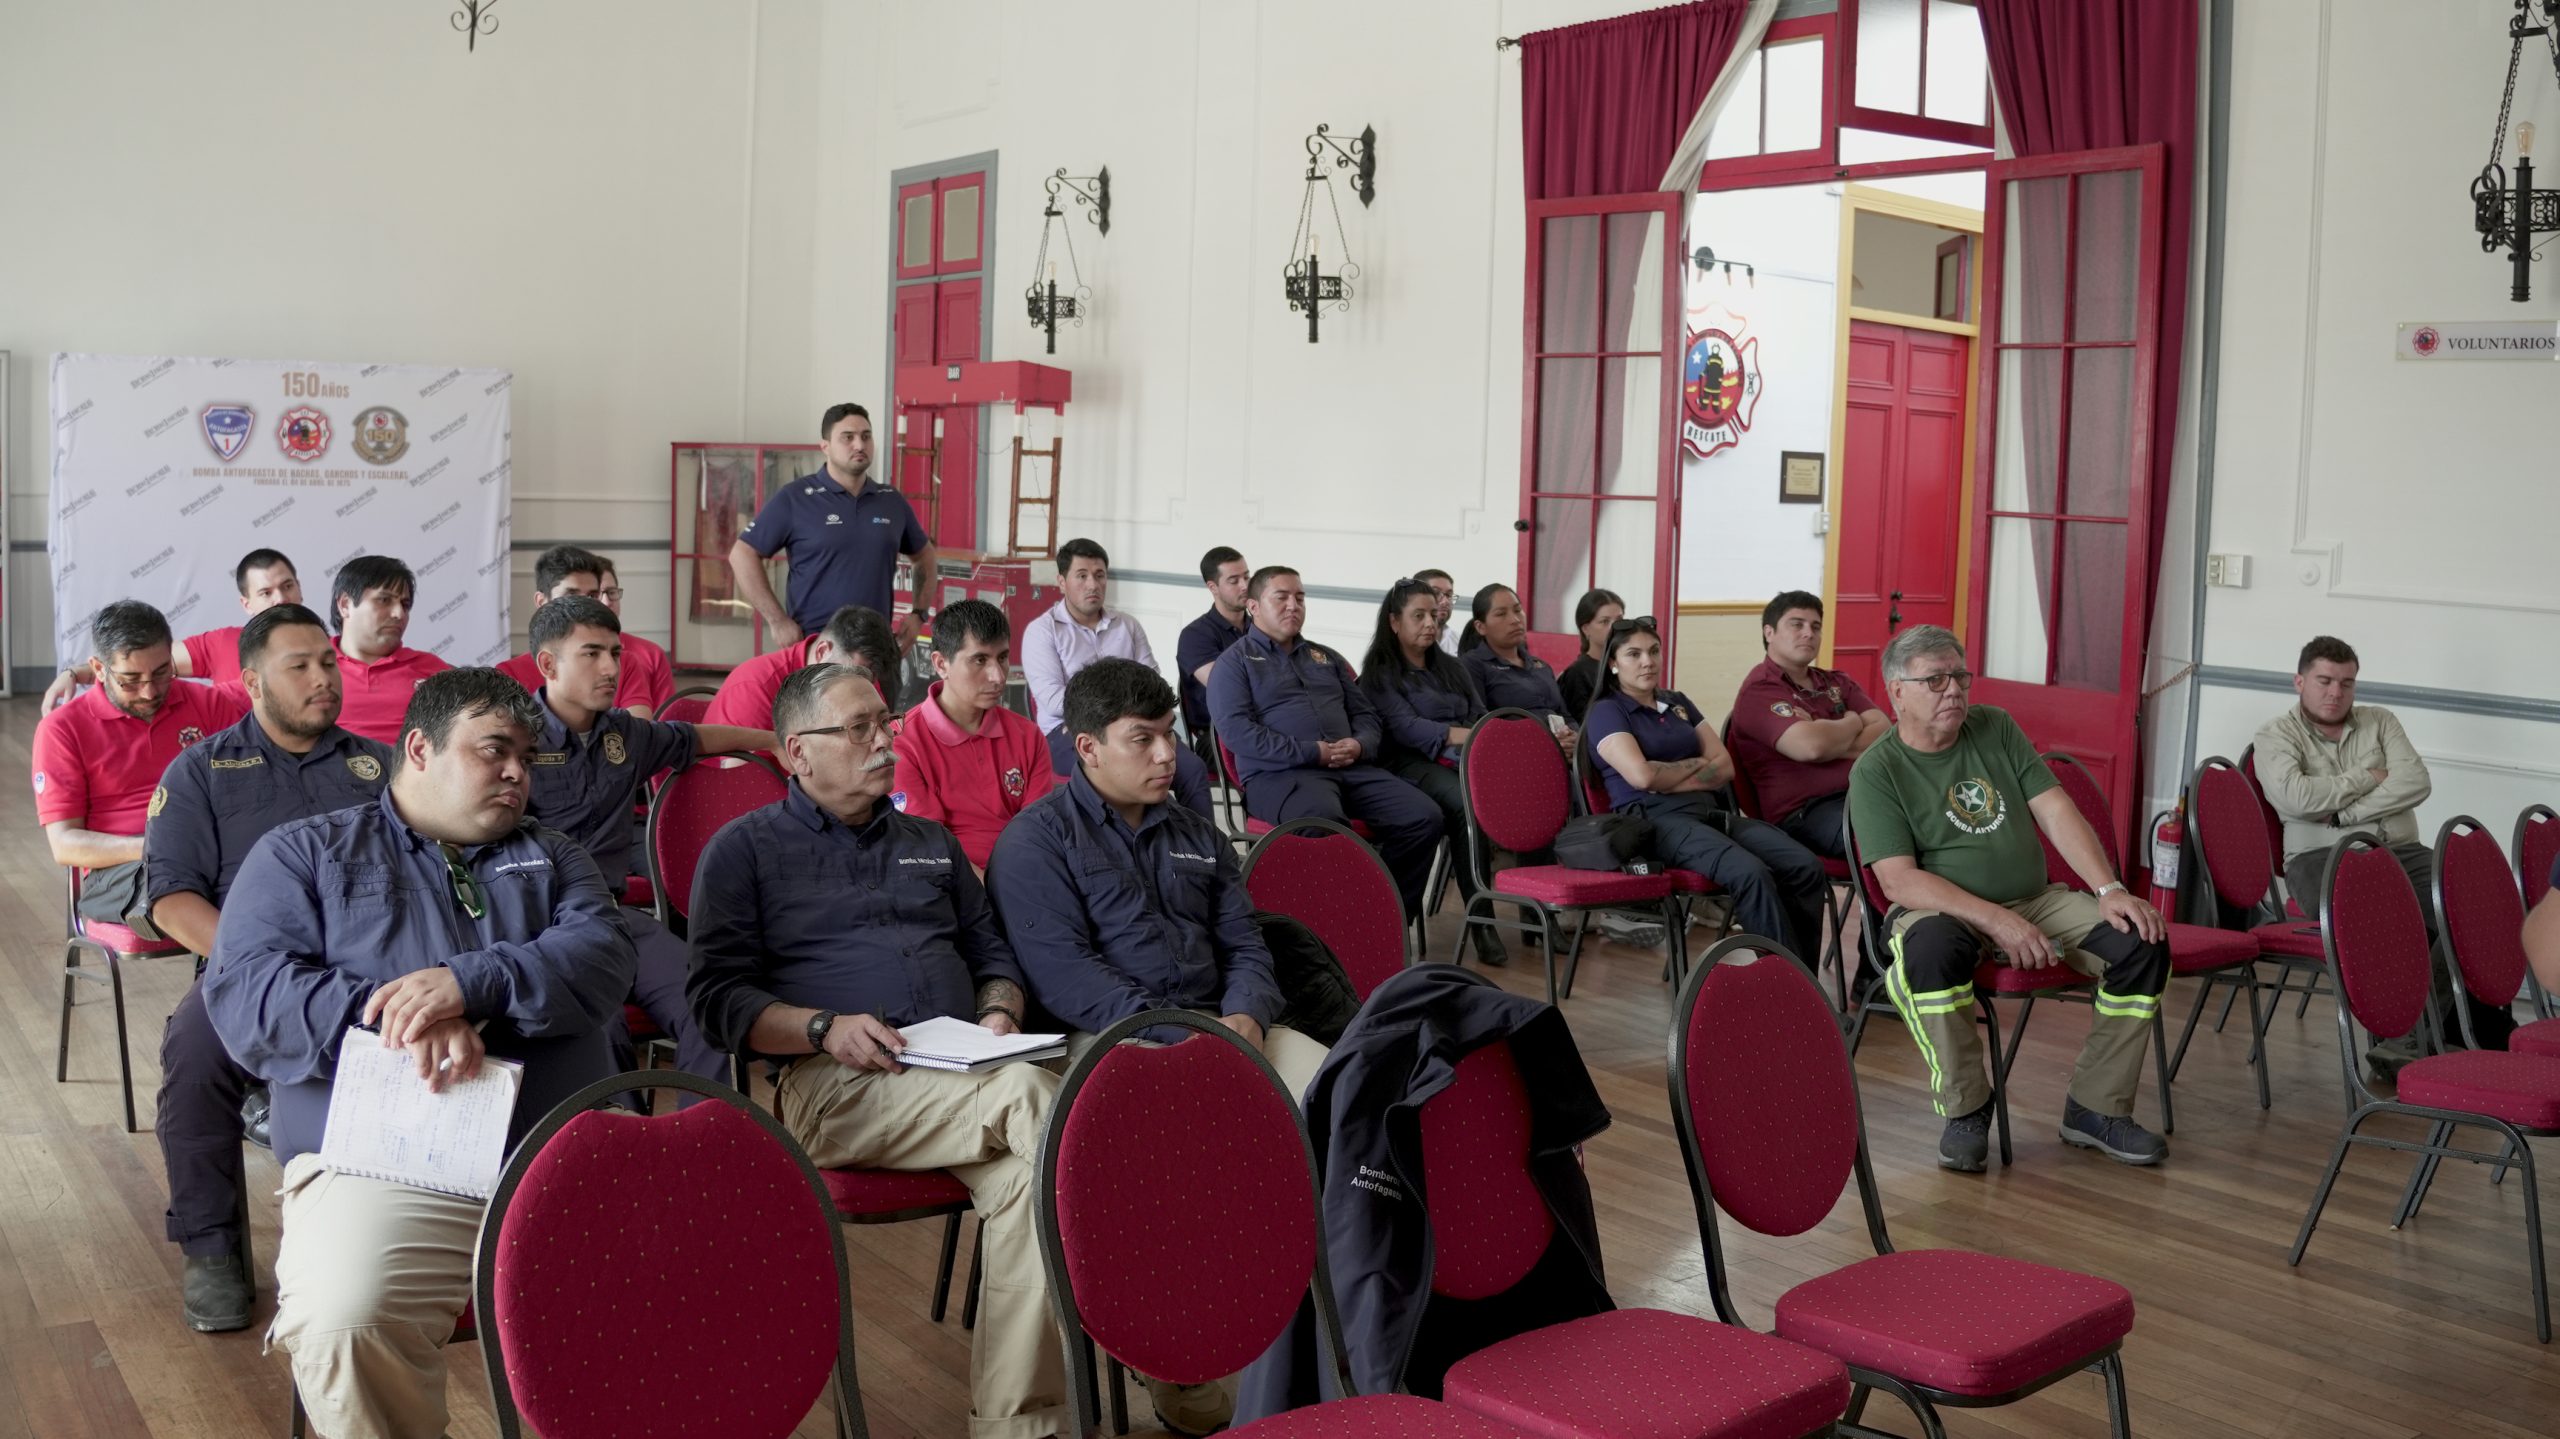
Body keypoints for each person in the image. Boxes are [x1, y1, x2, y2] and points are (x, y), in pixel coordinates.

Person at [203, 669, 635, 1439]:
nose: (516, 772)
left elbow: (601, 956)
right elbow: (249, 993)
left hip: (561, 1154)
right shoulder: (306, 854)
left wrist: (471, 983)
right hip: (388, 1165)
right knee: (346, 1319)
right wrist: (396, 1015)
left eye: (527, 758)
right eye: (494, 749)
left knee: (721, 1267)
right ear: (420, 749)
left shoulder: (552, 854)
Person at [686, 663, 1066, 1439]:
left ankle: (1018, 1425)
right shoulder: (744, 850)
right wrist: (824, 1026)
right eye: (856, 728)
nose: (882, 740)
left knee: (1029, 1180)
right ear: (797, 751)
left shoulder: (929, 841)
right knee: (1045, 1108)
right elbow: (717, 1000)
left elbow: (993, 951)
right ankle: (1163, 1354)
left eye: (883, 723)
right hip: (837, 1083)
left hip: (968, 1070)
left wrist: (997, 1012)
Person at [142, 603, 391, 1333]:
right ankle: (213, 1248)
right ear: (251, 681)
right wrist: (257, 960)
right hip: (251, 970)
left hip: (369, 968)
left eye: (328, 662)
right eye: (301, 666)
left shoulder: (378, 766)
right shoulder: (202, 771)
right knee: (191, 1056)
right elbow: (172, 899)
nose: (324, 678)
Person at [1847, 624, 2170, 1173]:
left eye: (1960, 676)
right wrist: (1998, 922)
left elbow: (2055, 809)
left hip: (2035, 899)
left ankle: (2096, 1108)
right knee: (1930, 951)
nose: (1954, 690)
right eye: (1935, 680)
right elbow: (1899, 882)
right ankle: (1967, 1107)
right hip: (1941, 912)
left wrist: (2110, 889)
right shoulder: (1877, 770)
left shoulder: (1994, 726)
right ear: (1896, 692)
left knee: (2139, 941)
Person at [993, 657, 1328, 1091]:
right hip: (1109, 1035)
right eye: (1142, 739)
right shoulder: (1035, 842)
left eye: (1168, 731)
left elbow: (1244, 942)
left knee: (1339, 1093)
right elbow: (1066, 977)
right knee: (1202, 1118)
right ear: (1088, 748)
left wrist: (1247, 1014)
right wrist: (1180, 1032)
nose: (1167, 753)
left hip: (1226, 1023)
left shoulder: (1201, 835)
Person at [520, 596, 774, 1085]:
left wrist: (773, 740)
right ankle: (624, 1148)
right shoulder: (513, 739)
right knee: (599, 1027)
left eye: (615, 653)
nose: (611, 667)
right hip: (542, 926)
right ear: (548, 664)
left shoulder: (627, 736)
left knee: (711, 1007)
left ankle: (705, 1146)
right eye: (592, 653)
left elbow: (697, 738)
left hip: (615, 918)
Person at [2254, 635, 2509, 1062]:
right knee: (2385, 918)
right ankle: (2414, 1038)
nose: (2336, 692)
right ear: (2299, 681)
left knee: (2472, 903)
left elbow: (2415, 782)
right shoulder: (2275, 734)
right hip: (2321, 859)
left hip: (2398, 850)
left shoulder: (2381, 721)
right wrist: (2368, 777)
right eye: (2325, 680)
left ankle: (2419, 1034)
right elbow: (2296, 799)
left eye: (2347, 682)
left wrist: (2343, 814)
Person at [1585, 616, 1828, 963]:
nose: (1647, 662)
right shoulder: (1606, 712)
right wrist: (1698, 765)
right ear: (1612, 663)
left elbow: (1724, 765)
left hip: (1707, 813)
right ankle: (1782, 993)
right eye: (1633, 654)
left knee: (1805, 866)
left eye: (1653, 651)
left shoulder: (1678, 701)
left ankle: (1803, 985)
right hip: (1657, 822)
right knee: (1750, 873)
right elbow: (1641, 778)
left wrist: (1667, 774)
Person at [1209, 566, 1443, 919]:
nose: (1293, 605)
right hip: (1281, 776)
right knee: (1326, 826)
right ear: (1253, 606)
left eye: (1300, 598)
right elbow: (1239, 733)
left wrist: (1360, 744)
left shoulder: (1325, 657)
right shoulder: (1234, 664)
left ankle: (1384, 919)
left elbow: (1367, 716)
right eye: (1282, 597)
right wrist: (1311, 752)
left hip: (1349, 766)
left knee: (1424, 817)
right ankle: (1337, 928)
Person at [33, 600, 247, 928]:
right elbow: (65, 845)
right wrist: (153, 846)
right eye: (131, 680)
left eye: (162, 673)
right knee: (172, 881)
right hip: (121, 870)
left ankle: (232, 973)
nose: (149, 692)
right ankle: (248, 969)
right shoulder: (63, 729)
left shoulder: (209, 703)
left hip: (209, 853)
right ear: (99, 669)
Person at [1359, 579, 1505, 967]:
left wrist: (1475, 734)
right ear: (1394, 622)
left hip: (1460, 760)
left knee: (1507, 794)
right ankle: (1482, 922)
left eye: (1434, 614)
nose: (1430, 622)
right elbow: (1409, 729)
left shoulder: (1452, 667)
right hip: (1405, 763)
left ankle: (1531, 914)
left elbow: (1478, 714)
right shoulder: (1380, 673)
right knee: (1463, 804)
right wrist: (1472, 734)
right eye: (1418, 615)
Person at [1019, 538, 1212, 813]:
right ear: (1062, 582)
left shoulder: (1127, 626)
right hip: (1070, 731)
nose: (1093, 585)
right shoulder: (1043, 631)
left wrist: (1126, 722)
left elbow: (1152, 682)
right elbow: (1051, 700)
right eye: (1082, 576)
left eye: (1100, 576)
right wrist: (1106, 718)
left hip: (1139, 727)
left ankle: (1200, 849)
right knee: (1126, 770)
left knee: (1191, 769)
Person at [727, 401, 937, 650]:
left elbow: (924, 555)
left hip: (877, 651)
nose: (859, 445)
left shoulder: (890, 500)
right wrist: (777, 620)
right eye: (847, 437)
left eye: (866, 436)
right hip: (815, 649)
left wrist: (918, 615)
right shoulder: (795, 498)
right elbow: (742, 554)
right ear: (825, 447)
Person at [890, 599, 1054, 871]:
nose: (998, 676)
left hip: (1021, 877)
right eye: (980, 660)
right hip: (946, 883)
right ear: (941, 664)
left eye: (1002, 658)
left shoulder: (1028, 736)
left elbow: (1037, 834)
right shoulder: (902, 742)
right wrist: (988, 891)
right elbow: (927, 846)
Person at [1727, 590, 1889, 861]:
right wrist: (1853, 720)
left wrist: (1828, 738)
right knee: (1889, 837)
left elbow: (1883, 731)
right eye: (1797, 624)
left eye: (1815, 627)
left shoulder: (1835, 682)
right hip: (1806, 813)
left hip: (1863, 795)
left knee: (1939, 821)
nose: (1808, 633)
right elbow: (1811, 747)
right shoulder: (1761, 689)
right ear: (1769, 632)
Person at [42, 548, 303, 705]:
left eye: (287, 586)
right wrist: (73, 674)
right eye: (266, 592)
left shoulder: (330, 650)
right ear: (246, 604)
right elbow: (138, 665)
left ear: (299, 588)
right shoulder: (221, 643)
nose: (281, 599)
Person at [494, 545, 672, 717]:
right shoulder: (509, 674)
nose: (585, 606)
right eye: (571, 596)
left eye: (592, 596)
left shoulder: (627, 663)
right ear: (542, 601)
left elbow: (637, 738)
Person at [701, 603, 900, 732]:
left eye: (868, 680)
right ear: (822, 651)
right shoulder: (757, 686)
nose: (858, 688)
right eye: (851, 675)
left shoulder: (864, 677)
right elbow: (745, 781)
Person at [329, 555, 452, 744]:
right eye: (384, 600)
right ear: (345, 605)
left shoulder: (433, 670)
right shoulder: (310, 665)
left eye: (405, 605)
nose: (399, 614)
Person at [1458, 583, 1576, 738]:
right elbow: (1480, 725)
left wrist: (1574, 738)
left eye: (1518, 610)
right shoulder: (1472, 665)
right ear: (1481, 627)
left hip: (1561, 750)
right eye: (1501, 614)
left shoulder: (1541, 666)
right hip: (1514, 751)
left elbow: (1565, 716)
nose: (1515, 619)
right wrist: (1545, 742)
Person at [1175, 545, 1250, 757]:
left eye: (1247, 576)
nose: (1245, 586)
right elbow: (1229, 686)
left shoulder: (1262, 628)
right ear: (1213, 587)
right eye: (1234, 581)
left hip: (1260, 724)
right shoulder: (1195, 635)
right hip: (1216, 736)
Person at [590, 553, 675, 716]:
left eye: (611, 592)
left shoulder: (652, 654)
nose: (607, 602)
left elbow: (668, 720)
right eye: (596, 595)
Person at [1558, 587, 1623, 721]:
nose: (1614, 627)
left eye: (1619, 620)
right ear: (1586, 629)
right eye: (1604, 621)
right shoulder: (1577, 673)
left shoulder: (1628, 664)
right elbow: (1581, 724)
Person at [1414, 568, 1461, 657]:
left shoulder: (1459, 642)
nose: (1445, 601)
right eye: (1436, 593)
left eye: (1449, 595)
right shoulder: (1403, 640)